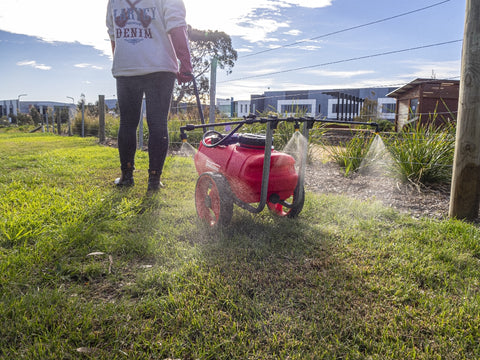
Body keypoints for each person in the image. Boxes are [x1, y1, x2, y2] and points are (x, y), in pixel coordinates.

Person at [106, 0, 193, 191]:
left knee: (127, 123)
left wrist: (124, 63)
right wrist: (185, 64)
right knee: (158, 123)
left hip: (127, 69)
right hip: (160, 68)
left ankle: (126, 175)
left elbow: (113, 36)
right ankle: (154, 179)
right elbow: (177, 26)